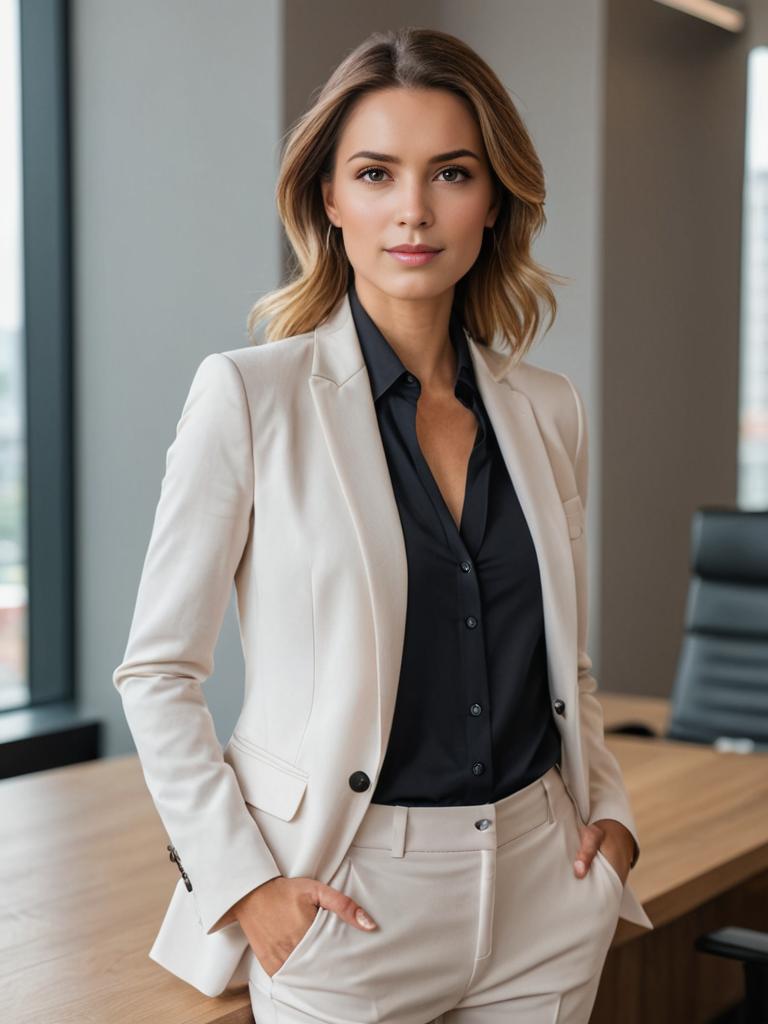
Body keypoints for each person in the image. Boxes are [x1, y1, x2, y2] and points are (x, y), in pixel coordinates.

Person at [113, 25, 653, 1024]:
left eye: (451, 173)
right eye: (375, 173)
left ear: (494, 201)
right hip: (349, 904)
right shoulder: (249, 397)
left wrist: (609, 815)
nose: (412, 210)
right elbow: (158, 673)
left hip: (544, 887)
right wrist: (244, 888)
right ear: (329, 198)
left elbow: (558, 655)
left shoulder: (548, 408)